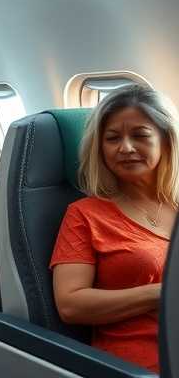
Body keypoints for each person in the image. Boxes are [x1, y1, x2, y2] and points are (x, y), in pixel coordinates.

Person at [51, 85, 178, 372]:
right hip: (142, 363)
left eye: (140, 136)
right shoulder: (85, 215)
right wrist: (161, 294)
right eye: (112, 138)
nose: (125, 148)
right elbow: (70, 304)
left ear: (166, 141)